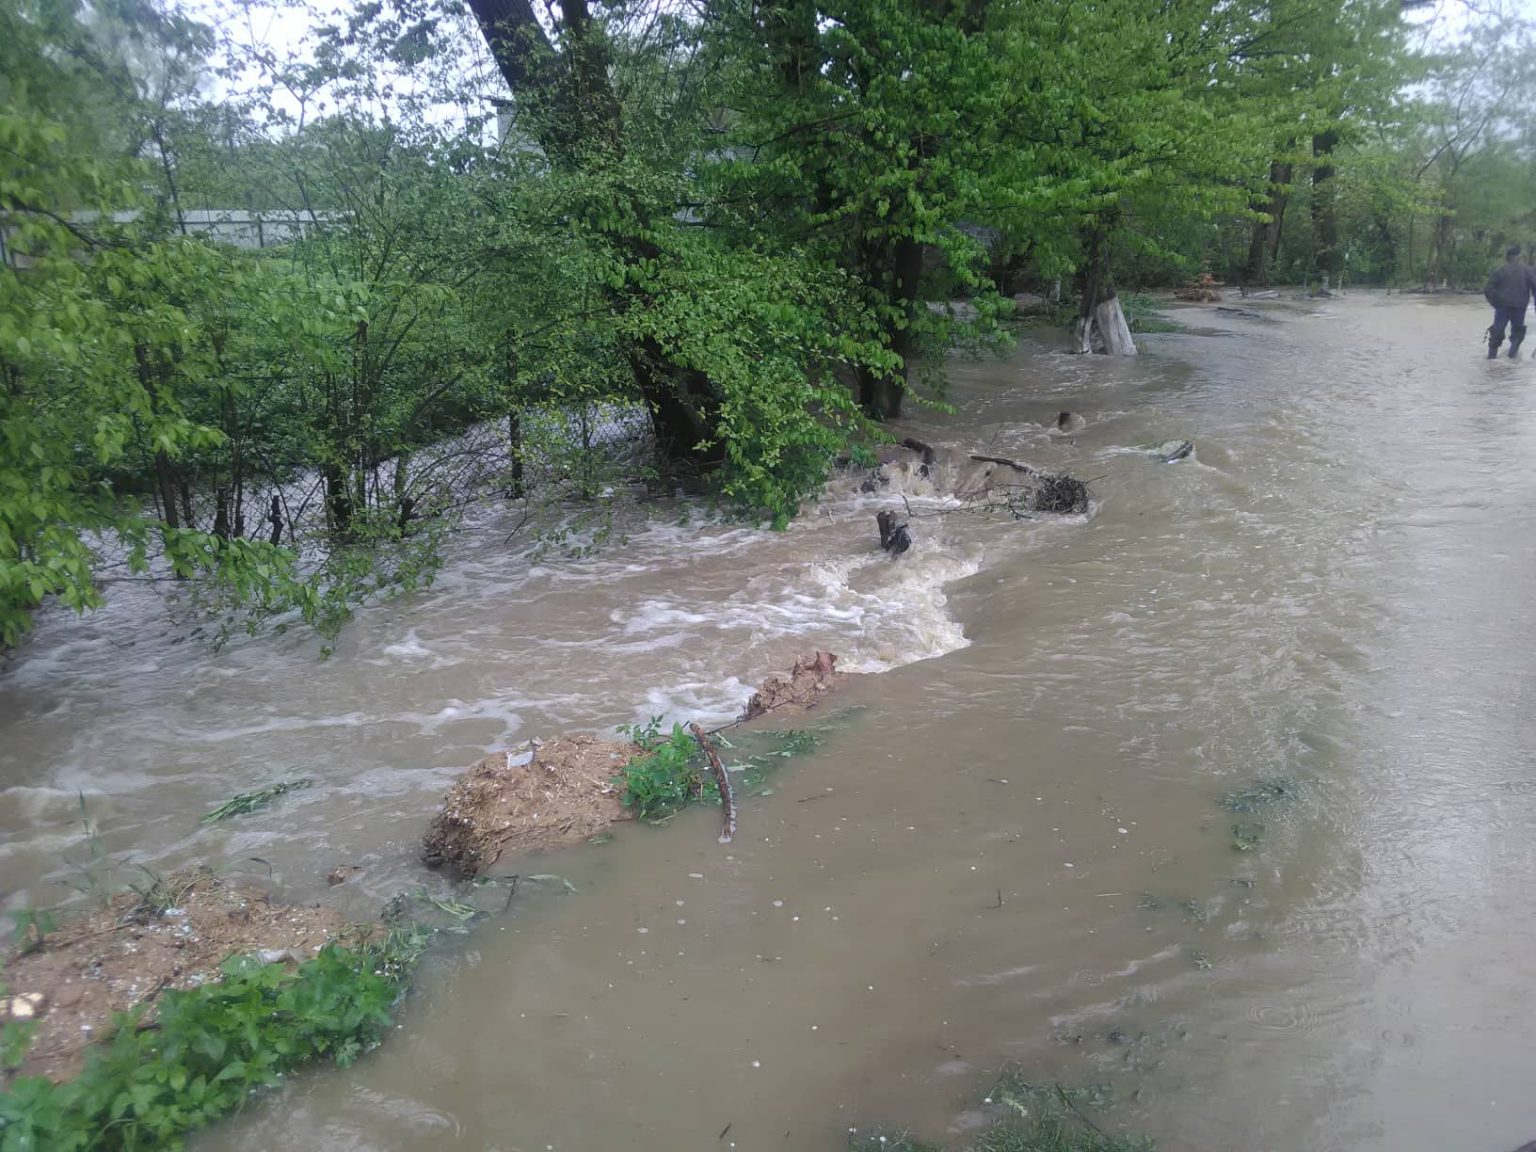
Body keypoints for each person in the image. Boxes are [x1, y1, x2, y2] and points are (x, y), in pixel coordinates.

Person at [1483, 244, 1534, 359]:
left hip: (1502, 306)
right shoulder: (1528, 271)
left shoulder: (1501, 270)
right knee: (1518, 332)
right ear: (1518, 256)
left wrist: (1495, 303)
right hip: (1519, 307)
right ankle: (1512, 356)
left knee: (1497, 331)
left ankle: (1491, 358)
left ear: (1509, 256)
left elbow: (1487, 289)